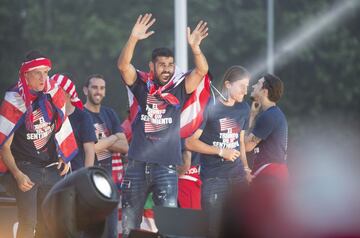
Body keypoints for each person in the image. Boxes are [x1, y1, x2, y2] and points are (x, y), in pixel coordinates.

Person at [117, 13, 209, 237]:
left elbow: (201, 71)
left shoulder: (179, 89)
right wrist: (133, 38)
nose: (166, 69)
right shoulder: (142, 86)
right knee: (129, 226)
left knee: (168, 227)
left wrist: (196, 49)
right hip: (137, 165)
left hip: (166, 167)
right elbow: (123, 65)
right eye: (161, 65)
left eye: (170, 65)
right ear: (152, 67)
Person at [0, 50, 77, 238]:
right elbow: (4, 146)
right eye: (38, 73)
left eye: (46, 72)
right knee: (28, 223)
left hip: (51, 168)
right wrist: (18, 175)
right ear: (26, 75)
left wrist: (64, 156)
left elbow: (62, 126)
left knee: (50, 225)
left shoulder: (53, 94)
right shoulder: (14, 100)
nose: (44, 78)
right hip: (26, 170)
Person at [185, 65, 252, 237]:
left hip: (238, 177)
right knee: (214, 230)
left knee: (242, 227)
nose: (246, 91)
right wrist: (221, 151)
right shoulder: (210, 108)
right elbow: (190, 143)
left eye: (247, 86)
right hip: (214, 179)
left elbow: (240, 143)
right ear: (228, 84)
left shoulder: (244, 108)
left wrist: (245, 169)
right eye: (241, 86)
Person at [83, 73, 129, 238]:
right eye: (94, 87)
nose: (98, 91)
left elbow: (125, 147)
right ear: (85, 90)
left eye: (102, 88)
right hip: (89, 180)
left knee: (111, 232)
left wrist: (104, 142)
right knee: (91, 231)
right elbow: (91, 148)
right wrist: (113, 137)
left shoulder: (109, 113)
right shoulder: (80, 115)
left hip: (111, 181)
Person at [245, 74, 288, 184]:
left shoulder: (269, 116)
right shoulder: (274, 114)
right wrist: (253, 115)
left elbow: (246, 146)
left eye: (258, 84)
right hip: (273, 174)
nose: (254, 86)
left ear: (265, 92)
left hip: (270, 175)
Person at [52, 74, 97, 170]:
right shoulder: (48, 116)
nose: (53, 94)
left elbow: (89, 151)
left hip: (75, 175)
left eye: (57, 91)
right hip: (52, 175)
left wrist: (86, 175)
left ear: (68, 94)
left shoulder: (83, 117)